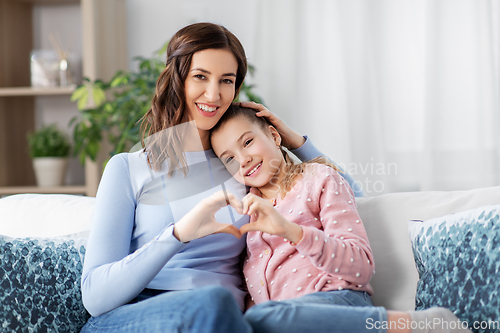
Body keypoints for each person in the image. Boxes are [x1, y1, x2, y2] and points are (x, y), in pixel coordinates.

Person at [79, 22, 358, 333]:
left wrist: (292, 139)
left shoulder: (240, 166)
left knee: (224, 308)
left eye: (226, 80)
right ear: (178, 79)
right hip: (137, 316)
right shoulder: (128, 168)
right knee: (212, 302)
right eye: (201, 76)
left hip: (224, 320)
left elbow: (351, 198)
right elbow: (95, 297)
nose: (213, 94)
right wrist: (177, 235)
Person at [209, 104, 471, 333]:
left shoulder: (318, 179)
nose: (243, 160)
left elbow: (361, 266)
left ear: (274, 135)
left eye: (247, 142)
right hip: (286, 323)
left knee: (263, 317)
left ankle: (416, 326)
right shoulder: (246, 212)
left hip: (337, 301)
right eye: (229, 158)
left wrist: (292, 232)